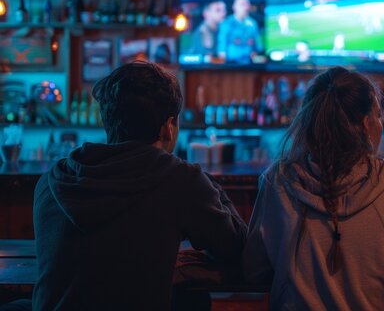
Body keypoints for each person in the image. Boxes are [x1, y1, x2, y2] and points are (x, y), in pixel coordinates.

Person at [32, 61, 247, 310]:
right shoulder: (179, 179)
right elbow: (235, 246)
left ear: (107, 121)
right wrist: (205, 179)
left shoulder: (52, 180)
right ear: (168, 127)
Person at [243, 67, 384, 310]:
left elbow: (254, 268)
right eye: (378, 115)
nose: (381, 124)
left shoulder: (278, 181)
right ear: (366, 125)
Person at [218, 0, 262, 64]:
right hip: (232, 63)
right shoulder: (227, 23)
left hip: (249, 63)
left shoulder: (252, 23)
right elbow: (222, 46)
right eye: (242, 4)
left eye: (247, 4)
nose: (246, 7)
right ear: (234, 7)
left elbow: (258, 45)